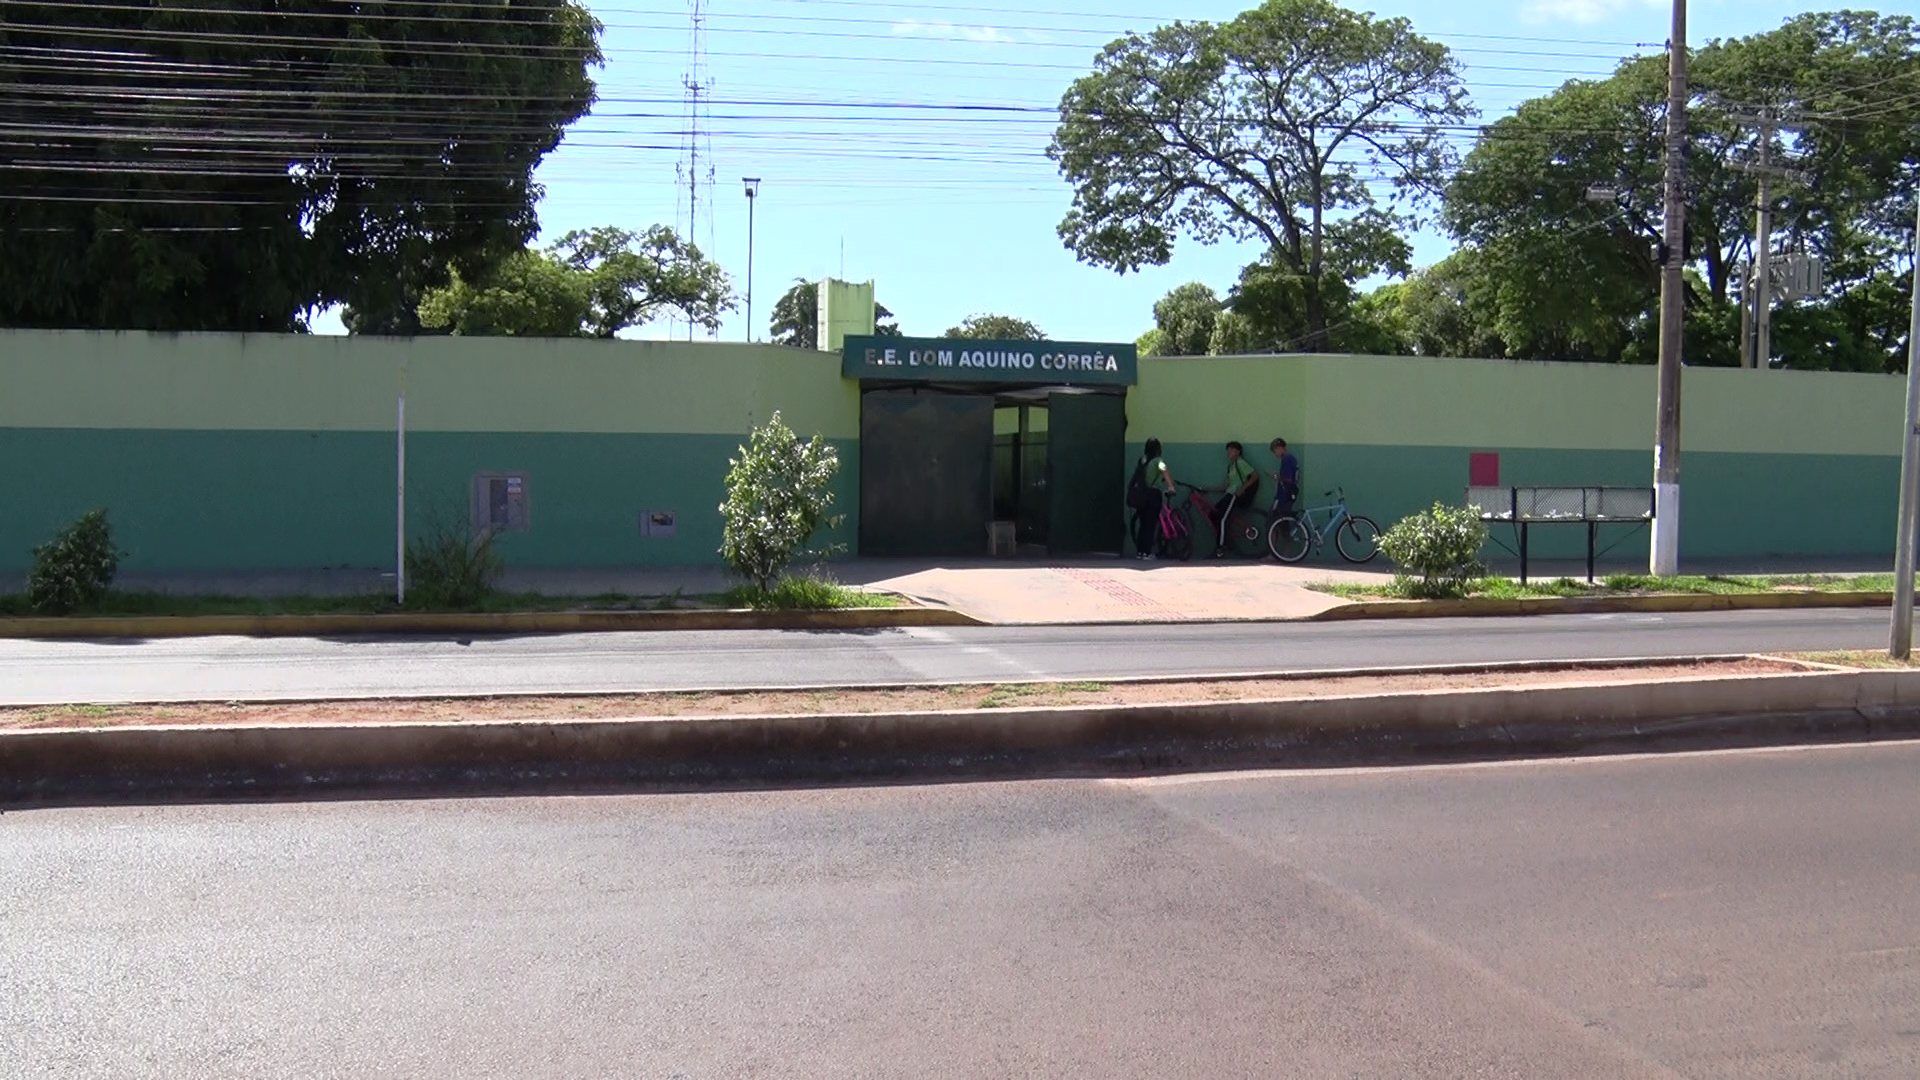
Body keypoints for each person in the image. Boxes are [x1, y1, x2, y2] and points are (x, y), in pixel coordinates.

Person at [1207, 441, 1259, 557]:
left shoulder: (1240, 463)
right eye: (1228, 451)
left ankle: (1221, 548)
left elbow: (1255, 475)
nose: (1229, 453)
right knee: (1213, 515)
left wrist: (1242, 488)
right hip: (1228, 494)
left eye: (1231, 450)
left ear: (1238, 452)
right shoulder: (1231, 466)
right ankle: (1224, 537)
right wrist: (1206, 489)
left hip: (1235, 495)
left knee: (1223, 519)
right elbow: (1226, 487)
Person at [1128, 437, 1174, 559]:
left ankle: (1140, 552)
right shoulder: (1159, 461)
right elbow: (1165, 471)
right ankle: (1147, 553)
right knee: (1150, 524)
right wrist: (1171, 486)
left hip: (1141, 495)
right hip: (1153, 494)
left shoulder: (1142, 460)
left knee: (1143, 524)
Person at [1268, 438, 1300, 520]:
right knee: (1283, 519)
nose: (1275, 454)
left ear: (1281, 448)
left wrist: (1276, 476)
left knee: (1273, 519)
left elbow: (1288, 478)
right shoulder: (1291, 458)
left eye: (1275, 451)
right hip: (1290, 493)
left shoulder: (1287, 460)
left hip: (1284, 494)